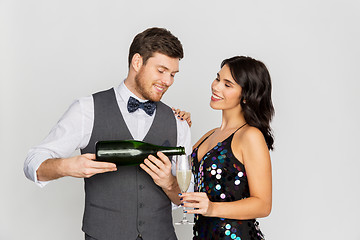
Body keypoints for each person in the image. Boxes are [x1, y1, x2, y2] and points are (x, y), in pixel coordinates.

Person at [24, 27, 192, 240]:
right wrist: (67, 166)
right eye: (161, 70)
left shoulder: (178, 123)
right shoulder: (87, 110)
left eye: (173, 74)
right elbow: (32, 163)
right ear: (137, 62)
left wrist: (169, 183)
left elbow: (186, 197)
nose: (168, 81)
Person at [179, 56, 274, 240]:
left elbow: (263, 205)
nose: (216, 86)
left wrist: (213, 208)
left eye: (227, 84)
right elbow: (182, 177)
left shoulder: (250, 136)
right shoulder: (209, 135)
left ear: (246, 96)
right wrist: (178, 125)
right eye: (217, 78)